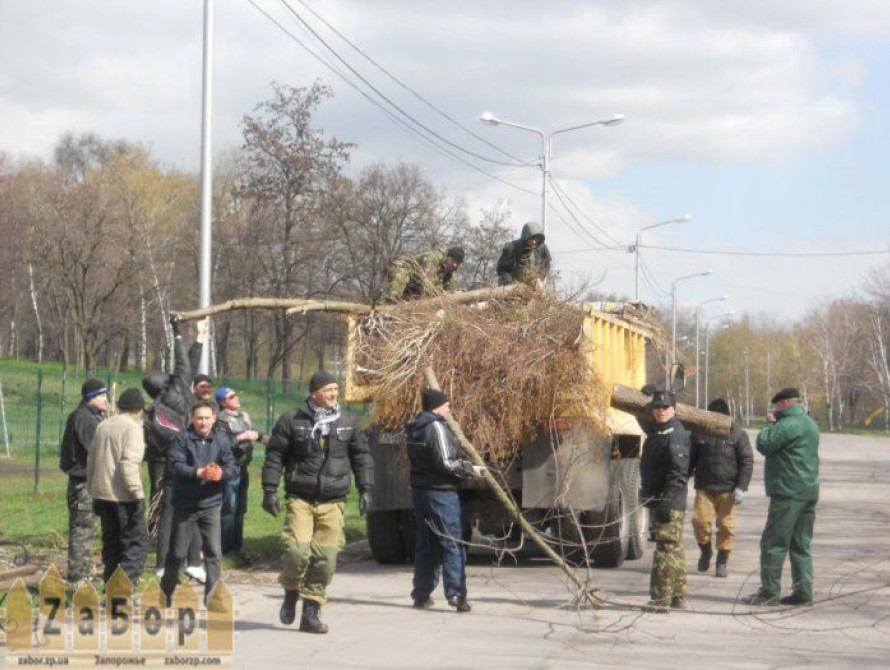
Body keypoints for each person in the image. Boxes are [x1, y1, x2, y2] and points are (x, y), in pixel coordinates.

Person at [261, 370, 374, 634]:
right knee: (296, 553)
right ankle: (291, 593)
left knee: (326, 559)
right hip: (300, 497)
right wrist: (269, 490)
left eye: (336, 389)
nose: (334, 394)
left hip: (333, 500)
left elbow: (362, 457)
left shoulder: (348, 421)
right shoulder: (292, 419)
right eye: (328, 390)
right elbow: (275, 456)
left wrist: (366, 489)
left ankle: (310, 613)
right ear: (314, 394)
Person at [407, 388, 486, 613]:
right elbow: (446, 462)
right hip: (440, 494)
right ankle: (456, 594)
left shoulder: (414, 428)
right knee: (451, 543)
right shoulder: (436, 427)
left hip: (420, 492)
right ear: (436, 406)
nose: (449, 408)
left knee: (426, 545)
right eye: (446, 405)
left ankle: (421, 595)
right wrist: (471, 470)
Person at [142, 316, 207, 582]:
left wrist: (200, 337)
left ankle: (164, 564)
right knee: (186, 512)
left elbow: (187, 366)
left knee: (170, 513)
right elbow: (183, 364)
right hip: (185, 461)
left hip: (170, 462)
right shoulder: (175, 393)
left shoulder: (161, 402)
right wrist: (178, 333)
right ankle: (189, 563)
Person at [746, 387, 820, 607]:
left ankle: (769, 591)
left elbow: (764, 444)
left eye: (776, 407)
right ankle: (803, 591)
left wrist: (771, 424)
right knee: (800, 544)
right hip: (808, 490)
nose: (774, 410)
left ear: (785, 404)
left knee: (773, 543)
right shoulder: (810, 423)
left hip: (788, 491)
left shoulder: (788, 423)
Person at [160, 401, 237, 606]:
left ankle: (212, 599)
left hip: (211, 504)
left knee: (213, 552)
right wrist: (199, 472)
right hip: (185, 505)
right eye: (199, 418)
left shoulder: (221, 440)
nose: (203, 422)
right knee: (177, 553)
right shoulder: (181, 439)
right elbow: (175, 467)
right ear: (192, 419)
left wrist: (221, 474)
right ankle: (165, 592)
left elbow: (231, 466)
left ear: (213, 419)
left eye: (207, 418)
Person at [86, 388, 149, 585]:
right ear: (138, 410)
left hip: (102, 494)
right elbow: (129, 464)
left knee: (111, 545)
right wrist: (137, 494)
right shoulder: (133, 428)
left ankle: (110, 586)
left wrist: (92, 489)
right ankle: (123, 591)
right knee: (135, 544)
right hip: (124, 496)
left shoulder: (103, 426)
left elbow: (92, 460)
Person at [639, 389, 691, 612]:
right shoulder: (658, 431)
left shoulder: (674, 434)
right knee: (674, 549)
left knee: (664, 551)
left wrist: (666, 503)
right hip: (660, 499)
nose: (661, 411)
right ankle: (678, 596)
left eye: (665, 407)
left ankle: (661, 600)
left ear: (674, 409)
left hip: (669, 501)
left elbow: (678, 474)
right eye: (657, 407)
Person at [690, 398, 754, 578]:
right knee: (700, 522)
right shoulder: (699, 433)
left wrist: (741, 487)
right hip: (705, 487)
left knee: (726, 526)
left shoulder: (738, 434)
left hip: (729, 489)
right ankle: (705, 550)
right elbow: (690, 459)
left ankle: (721, 561)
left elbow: (746, 462)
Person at [59, 378, 108, 582]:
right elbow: (96, 450)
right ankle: (78, 575)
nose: (106, 399)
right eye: (101, 395)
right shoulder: (84, 419)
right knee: (82, 527)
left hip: (89, 481)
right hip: (83, 483)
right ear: (90, 398)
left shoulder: (91, 416)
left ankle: (85, 570)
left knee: (88, 527)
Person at [215, 386, 268, 555]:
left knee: (240, 508)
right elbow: (222, 443)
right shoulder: (220, 420)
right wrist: (241, 437)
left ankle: (237, 546)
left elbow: (257, 433)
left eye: (236, 395)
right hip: (229, 469)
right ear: (223, 402)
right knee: (229, 507)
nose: (236, 398)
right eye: (232, 396)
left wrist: (265, 439)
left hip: (243, 468)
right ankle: (225, 547)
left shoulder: (244, 416)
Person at [384, 247, 465, 301]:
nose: (455, 264)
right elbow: (428, 284)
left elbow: (443, 291)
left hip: (415, 284)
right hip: (405, 270)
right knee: (401, 276)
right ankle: (389, 303)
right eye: (453, 260)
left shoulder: (448, 273)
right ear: (447, 256)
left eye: (457, 263)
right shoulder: (434, 258)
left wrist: (453, 294)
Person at [496, 222, 551, 287]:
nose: (534, 241)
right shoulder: (512, 248)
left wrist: (539, 277)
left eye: (536, 239)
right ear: (525, 237)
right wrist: (509, 282)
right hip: (513, 285)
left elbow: (546, 264)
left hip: (533, 284)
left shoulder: (542, 247)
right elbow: (501, 269)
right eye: (531, 238)